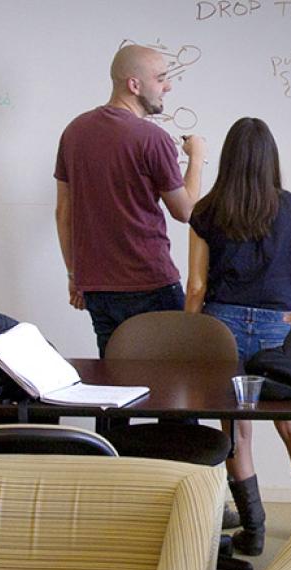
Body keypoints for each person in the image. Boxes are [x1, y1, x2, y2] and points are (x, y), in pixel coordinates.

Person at [184, 117, 291, 556]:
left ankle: (255, 531)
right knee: (290, 421)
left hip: (220, 327)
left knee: (236, 429)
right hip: (278, 328)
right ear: (270, 160)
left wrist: (190, 333)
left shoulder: (207, 211)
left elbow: (197, 286)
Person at [55, 44, 207, 356]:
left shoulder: (74, 132)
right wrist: (197, 158)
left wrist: (75, 275)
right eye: (161, 78)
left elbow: (63, 213)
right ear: (134, 85)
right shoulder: (152, 139)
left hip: (98, 289)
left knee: (116, 385)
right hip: (150, 283)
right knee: (173, 380)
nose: (168, 86)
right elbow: (186, 210)